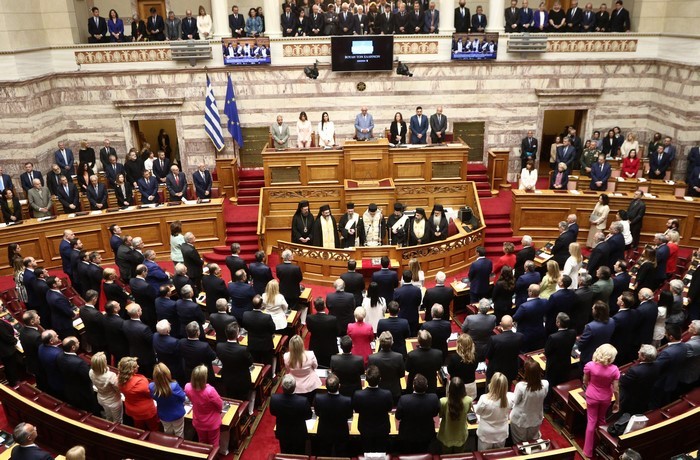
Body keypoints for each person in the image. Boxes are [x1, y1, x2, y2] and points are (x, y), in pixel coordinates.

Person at [583, 344, 620, 457]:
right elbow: (616, 389)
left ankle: (587, 451)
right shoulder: (614, 370)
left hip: (592, 396)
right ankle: (601, 445)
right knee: (601, 420)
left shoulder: (589, 365)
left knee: (591, 421)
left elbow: (585, 381)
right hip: (605, 397)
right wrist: (617, 402)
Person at [395, 373, 440, 454]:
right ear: (426, 387)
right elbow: (435, 413)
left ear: (413, 386)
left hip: (407, 434)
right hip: (426, 433)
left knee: (408, 453)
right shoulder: (433, 398)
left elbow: (398, 416)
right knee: (424, 451)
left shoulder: (404, 399)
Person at [353, 364, 394, 452]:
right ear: (380, 379)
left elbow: (356, 410)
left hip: (365, 428)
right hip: (382, 428)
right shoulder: (387, 394)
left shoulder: (358, 394)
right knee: (381, 452)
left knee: (367, 451)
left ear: (366, 379)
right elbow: (389, 408)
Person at [185, 365, 224, 454]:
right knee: (214, 444)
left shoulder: (187, 387)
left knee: (202, 442)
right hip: (212, 423)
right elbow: (220, 405)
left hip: (198, 421)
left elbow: (191, 398)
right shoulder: (210, 391)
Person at [313, 373, 353, 456]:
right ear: (339, 386)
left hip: (324, 432)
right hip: (341, 433)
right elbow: (349, 416)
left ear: (326, 386)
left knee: (324, 454)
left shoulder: (318, 398)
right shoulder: (347, 400)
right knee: (341, 455)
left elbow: (317, 413)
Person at [118, 357, 160, 431]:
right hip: (146, 411)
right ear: (130, 370)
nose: (138, 366)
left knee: (139, 428)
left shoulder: (120, 379)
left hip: (132, 409)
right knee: (154, 428)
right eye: (135, 366)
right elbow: (150, 394)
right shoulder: (140, 382)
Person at [474, 372, 513, 450]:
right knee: (498, 456)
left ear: (491, 384)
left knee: (483, 456)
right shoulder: (510, 398)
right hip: (501, 433)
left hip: (486, 434)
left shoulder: (484, 399)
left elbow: (477, 412)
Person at [149, 363, 186, 437]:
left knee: (167, 431)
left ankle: (169, 444)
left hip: (163, 414)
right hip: (177, 414)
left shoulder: (151, 386)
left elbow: (153, 397)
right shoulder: (174, 386)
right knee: (179, 432)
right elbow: (183, 397)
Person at [619, 344, 658, 415]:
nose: (638, 352)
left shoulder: (634, 370)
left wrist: (622, 375)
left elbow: (623, 382)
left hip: (631, 398)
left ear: (643, 357)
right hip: (646, 395)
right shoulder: (657, 366)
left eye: (639, 352)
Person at [284, 334, 322, 400]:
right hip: (310, 385)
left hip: (294, 386)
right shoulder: (310, 354)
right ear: (302, 345)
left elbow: (288, 370)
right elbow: (315, 366)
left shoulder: (286, 356)